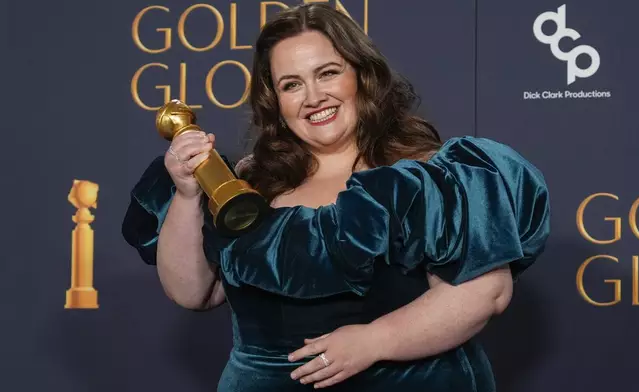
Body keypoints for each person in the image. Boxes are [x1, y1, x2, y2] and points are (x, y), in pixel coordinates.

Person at [122, 4, 550, 391]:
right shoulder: (247, 180)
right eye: (292, 84)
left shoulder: (426, 175)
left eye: (327, 73)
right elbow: (194, 293)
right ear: (275, 101)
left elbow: (485, 293)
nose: (313, 97)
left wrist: (375, 341)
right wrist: (186, 193)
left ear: (362, 76)